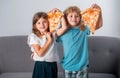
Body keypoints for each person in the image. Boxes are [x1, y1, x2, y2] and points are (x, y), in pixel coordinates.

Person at [56, 4, 103, 78]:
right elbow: (48, 38)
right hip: (67, 66)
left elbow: (99, 25)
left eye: (77, 16)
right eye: (71, 16)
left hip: (82, 66)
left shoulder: (83, 29)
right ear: (65, 18)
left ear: (80, 17)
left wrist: (99, 11)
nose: (74, 18)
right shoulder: (62, 32)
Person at [27, 9, 67, 78]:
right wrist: (49, 40)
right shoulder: (34, 36)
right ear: (35, 25)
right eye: (38, 23)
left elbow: (64, 28)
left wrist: (60, 14)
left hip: (52, 65)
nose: (42, 25)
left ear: (48, 22)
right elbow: (40, 53)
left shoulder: (53, 33)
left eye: (44, 22)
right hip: (41, 65)